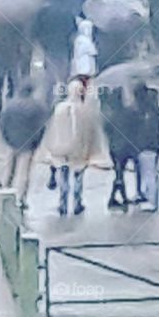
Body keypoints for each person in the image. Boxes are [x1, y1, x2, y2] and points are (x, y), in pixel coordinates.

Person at [41, 77, 106, 216]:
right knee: (78, 177)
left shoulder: (60, 108)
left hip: (62, 150)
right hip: (79, 151)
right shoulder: (85, 110)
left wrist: (52, 148)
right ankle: (77, 203)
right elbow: (91, 133)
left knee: (64, 177)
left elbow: (53, 130)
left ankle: (62, 204)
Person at [0, 78, 51, 209]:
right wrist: (36, 143)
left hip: (12, 142)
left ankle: (5, 191)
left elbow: (2, 123)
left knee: (9, 170)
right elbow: (41, 127)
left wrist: (7, 139)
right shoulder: (38, 107)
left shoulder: (10, 105)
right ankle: (21, 198)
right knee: (24, 173)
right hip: (28, 144)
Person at [133, 83, 159, 212]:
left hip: (146, 146)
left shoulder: (142, 113)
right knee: (150, 173)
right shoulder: (156, 112)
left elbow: (143, 131)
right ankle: (149, 197)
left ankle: (151, 200)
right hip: (155, 146)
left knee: (149, 174)